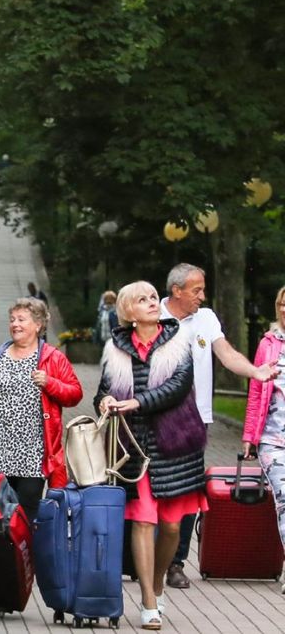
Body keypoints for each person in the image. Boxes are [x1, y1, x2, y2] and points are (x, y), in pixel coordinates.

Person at [95, 280, 206, 630]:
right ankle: (147, 601)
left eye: (153, 298)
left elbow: (178, 387)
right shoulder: (115, 348)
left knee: (171, 527)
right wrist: (105, 401)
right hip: (136, 449)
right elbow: (104, 389)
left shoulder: (178, 341)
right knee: (143, 521)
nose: (151, 303)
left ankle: (158, 581)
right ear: (127, 310)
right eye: (142, 300)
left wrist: (138, 401)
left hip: (175, 446)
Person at [159, 263, 277, 589]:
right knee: (153, 493)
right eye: (196, 290)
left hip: (194, 422)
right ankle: (147, 558)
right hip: (153, 421)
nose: (202, 295)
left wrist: (255, 371)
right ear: (177, 290)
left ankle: (176, 564)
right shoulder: (151, 315)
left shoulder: (206, 318)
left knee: (186, 492)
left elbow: (226, 354)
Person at [0, 298, 82, 520]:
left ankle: (26, 555)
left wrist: (51, 383)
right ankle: (3, 556)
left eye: (22, 319)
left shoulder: (52, 357)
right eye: (12, 319)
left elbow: (75, 394)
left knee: (26, 513)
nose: (15, 324)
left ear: (38, 325)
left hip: (33, 453)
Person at [242, 285, 285, 593]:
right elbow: (256, 392)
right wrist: (248, 436)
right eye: (282, 304)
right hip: (273, 437)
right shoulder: (268, 344)